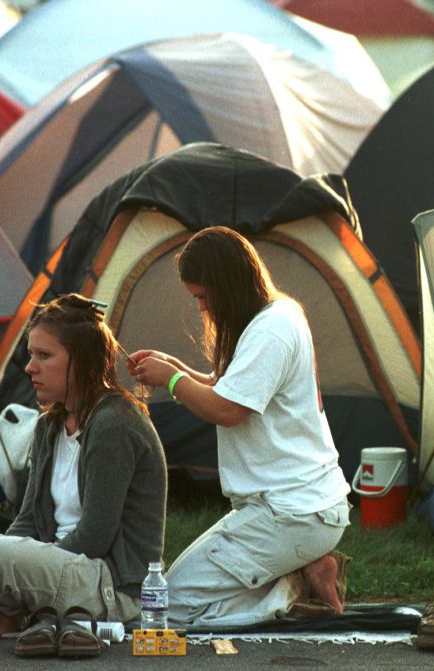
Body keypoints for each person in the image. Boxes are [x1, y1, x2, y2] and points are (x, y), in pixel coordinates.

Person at [0, 293, 167, 654]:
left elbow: (95, 537)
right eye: (31, 355)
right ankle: (19, 613)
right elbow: (27, 520)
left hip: (104, 582)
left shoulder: (113, 424)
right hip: (48, 565)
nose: (30, 367)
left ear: (84, 362)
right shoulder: (49, 426)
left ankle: (13, 612)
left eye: (44, 356)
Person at [128, 226, 351, 627]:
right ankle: (306, 564)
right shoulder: (277, 315)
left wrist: (172, 381)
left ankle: (294, 587)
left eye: (202, 297)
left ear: (226, 286)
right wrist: (174, 367)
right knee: (182, 596)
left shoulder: (271, 329)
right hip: (296, 510)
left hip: (291, 513)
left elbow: (230, 409)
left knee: (171, 608)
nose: (202, 309)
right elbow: (229, 387)